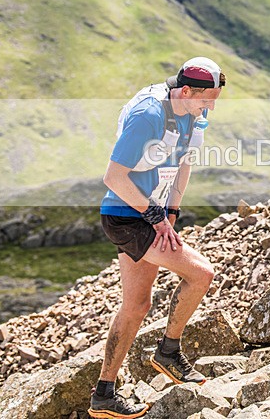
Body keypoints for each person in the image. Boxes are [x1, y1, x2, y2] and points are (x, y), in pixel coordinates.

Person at [88, 57, 225, 419]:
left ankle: (104, 394)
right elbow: (114, 177)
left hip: (151, 217)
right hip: (126, 216)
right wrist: (155, 217)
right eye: (205, 100)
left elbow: (184, 165)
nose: (210, 108)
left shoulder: (192, 116)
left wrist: (172, 213)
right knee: (201, 273)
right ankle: (168, 352)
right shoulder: (149, 115)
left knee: (136, 306)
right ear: (183, 91)